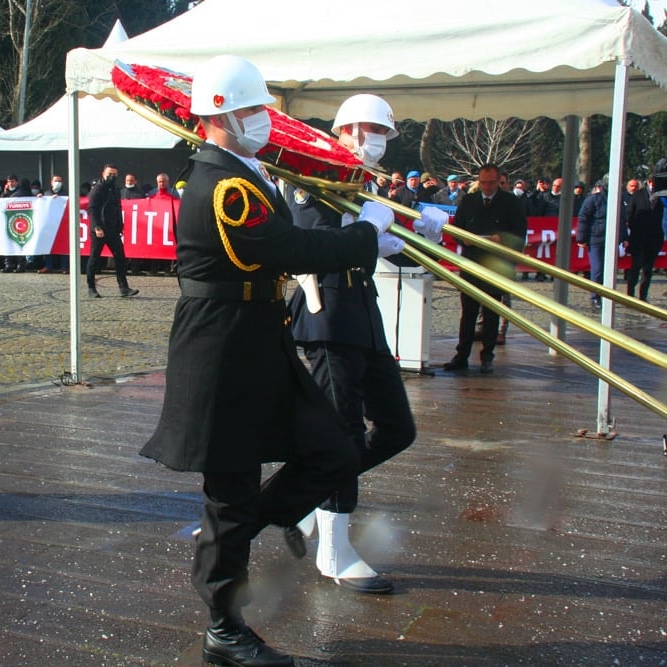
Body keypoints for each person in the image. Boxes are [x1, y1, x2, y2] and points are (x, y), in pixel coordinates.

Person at [140, 55, 394, 667]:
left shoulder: (242, 170)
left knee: (332, 448)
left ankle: (241, 534)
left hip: (258, 336)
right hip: (223, 348)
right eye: (257, 110)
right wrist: (364, 235)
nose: (266, 121)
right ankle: (223, 628)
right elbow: (284, 247)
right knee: (229, 490)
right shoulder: (225, 184)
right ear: (225, 113)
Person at [288, 93, 448, 595]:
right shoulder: (312, 174)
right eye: (370, 130)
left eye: (382, 133)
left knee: (397, 428)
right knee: (344, 435)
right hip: (328, 314)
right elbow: (312, 242)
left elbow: (380, 247)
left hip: (363, 314)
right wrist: (369, 232)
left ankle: (304, 495)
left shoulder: (365, 183)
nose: (377, 141)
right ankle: (334, 553)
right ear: (348, 129)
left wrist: (422, 236)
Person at [443, 163, 527, 374]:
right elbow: (456, 229)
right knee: (468, 312)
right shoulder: (469, 201)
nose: (487, 187)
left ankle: (487, 356)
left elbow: (520, 233)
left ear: (499, 181)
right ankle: (462, 355)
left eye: (491, 183)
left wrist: (502, 239)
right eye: (483, 183)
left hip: (496, 264)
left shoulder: (510, 203)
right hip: (472, 261)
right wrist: (464, 239)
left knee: (491, 311)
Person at [85, 163, 139, 298]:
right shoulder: (97, 189)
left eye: (114, 175)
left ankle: (124, 288)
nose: (112, 177)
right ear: (103, 173)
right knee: (94, 259)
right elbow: (92, 209)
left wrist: (120, 226)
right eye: (109, 174)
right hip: (100, 230)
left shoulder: (115, 189)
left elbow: (117, 208)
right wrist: (97, 227)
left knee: (120, 258)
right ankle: (91, 288)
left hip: (113, 230)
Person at [576, 180, 625, 310]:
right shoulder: (593, 199)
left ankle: (607, 296)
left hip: (612, 239)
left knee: (609, 271)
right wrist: (581, 238)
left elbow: (622, 219)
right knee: (597, 270)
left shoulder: (618, 200)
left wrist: (624, 237)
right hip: (596, 238)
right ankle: (595, 297)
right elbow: (583, 218)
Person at [623, 176, 665, 301]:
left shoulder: (661, 196)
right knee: (635, 267)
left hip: (654, 238)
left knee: (648, 269)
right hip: (639, 237)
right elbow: (630, 214)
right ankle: (630, 294)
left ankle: (643, 296)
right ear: (650, 182)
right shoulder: (638, 195)